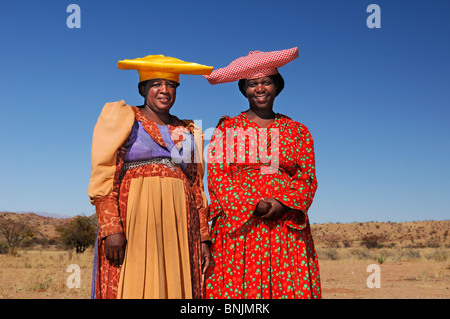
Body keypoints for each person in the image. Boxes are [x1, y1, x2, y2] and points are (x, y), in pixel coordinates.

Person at [88, 54, 213, 299]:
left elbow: (196, 185)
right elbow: (104, 174)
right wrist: (111, 228)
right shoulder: (123, 117)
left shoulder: (187, 130)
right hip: (134, 219)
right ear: (142, 89)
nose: (164, 90)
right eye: (156, 84)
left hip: (180, 224)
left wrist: (204, 237)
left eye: (171, 85)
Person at [203, 47, 321, 298]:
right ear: (244, 89)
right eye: (252, 83)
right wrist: (249, 203)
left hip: (285, 225)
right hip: (239, 226)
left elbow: (306, 176)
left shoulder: (297, 130)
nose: (260, 89)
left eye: (266, 82)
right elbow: (217, 175)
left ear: (277, 86)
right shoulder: (227, 129)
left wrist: (283, 203)